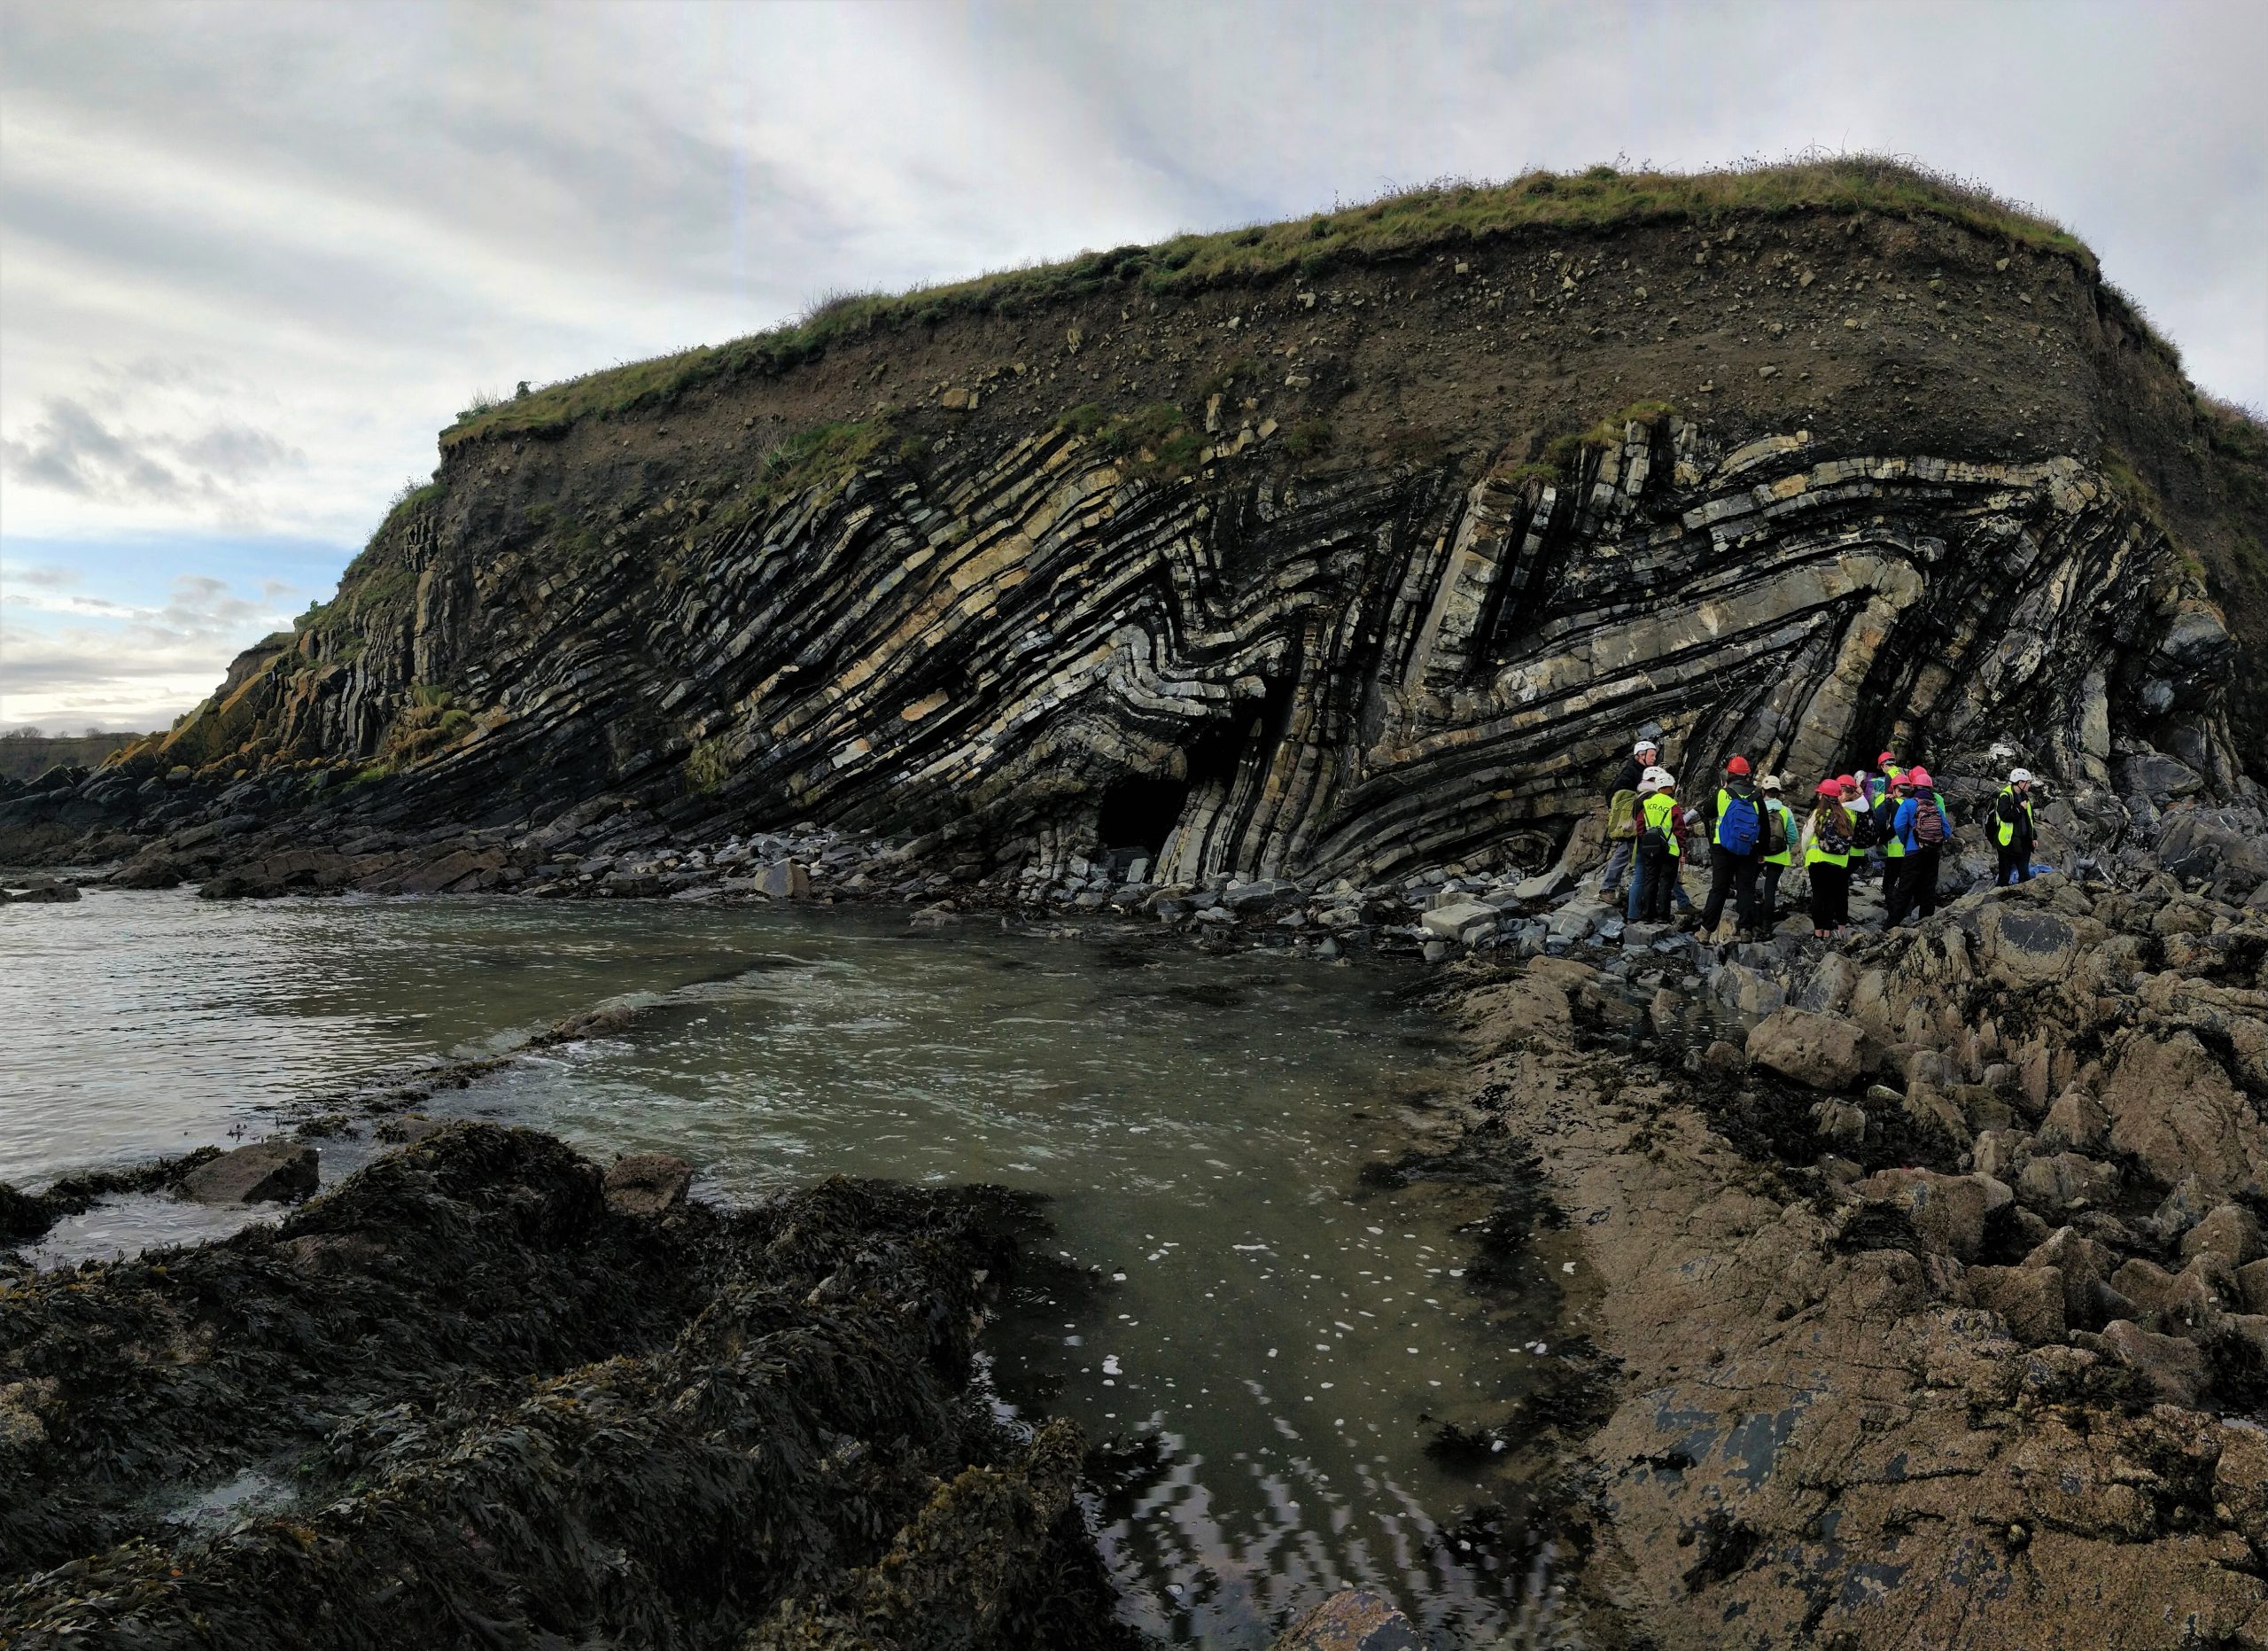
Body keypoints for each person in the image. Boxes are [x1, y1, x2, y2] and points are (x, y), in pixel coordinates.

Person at [1700, 755, 1766, 940]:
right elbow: (1764, 826)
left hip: (1723, 847)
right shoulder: (1756, 796)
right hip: (1748, 849)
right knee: (1746, 888)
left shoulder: (1723, 794)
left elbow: (1707, 811)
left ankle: (1706, 930)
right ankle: (1745, 929)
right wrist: (1762, 851)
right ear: (1747, 775)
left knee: (1719, 889)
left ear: (1729, 774)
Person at [1886, 766, 1952, 923]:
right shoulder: (1935, 805)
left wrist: (1907, 840)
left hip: (1913, 852)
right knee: (1928, 889)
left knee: (1904, 889)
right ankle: (1925, 923)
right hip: (1933, 852)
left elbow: (1898, 825)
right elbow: (1947, 830)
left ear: (1913, 787)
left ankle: (1892, 925)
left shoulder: (1908, 804)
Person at [1600, 737, 1658, 900]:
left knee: (1629, 854)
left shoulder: (1643, 771)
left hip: (1643, 821)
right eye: (1651, 755)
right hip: (1634, 823)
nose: (1654, 758)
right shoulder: (1631, 772)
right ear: (1640, 755)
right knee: (1624, 854)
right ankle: (1607, 889)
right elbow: (1616, 793)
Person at [1627, 767, 1682, 923]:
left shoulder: (1648, 803)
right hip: (1670, 850)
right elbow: (1679, 829)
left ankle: (1647, 915)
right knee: (1665, 883)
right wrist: (1682, 847)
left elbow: (1640, 825)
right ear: (1672, 786)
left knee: (1650, 880)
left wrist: (1645, 840)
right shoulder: (1672, 805)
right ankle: (1663, 915)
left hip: (1650, 849)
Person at [1804, 779, 1856, 938]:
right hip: (1838, 861)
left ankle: (1818, 931)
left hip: (1818, 860)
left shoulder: (1818, 814)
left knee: (1818, 895)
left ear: (1823, 795)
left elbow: (1806, 836)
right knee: (1831, 896)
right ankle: (1827, 931)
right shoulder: (1844, 816)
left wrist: (1806, 854)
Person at [1757, 775, 1798, 930]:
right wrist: (1785, 845)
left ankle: (1747, 920)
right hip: (1779, 855)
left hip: (1758, 854)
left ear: (1763, 791)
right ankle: (1767, 924)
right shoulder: (1786, 811)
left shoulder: (1756, 807)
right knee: (1770, 888)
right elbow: (1793, 836)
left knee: (1748, 885)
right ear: (1778, 793)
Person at [1994, 767, 2038, 884]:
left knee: (2024, 873)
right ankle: (1999, 898)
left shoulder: (2024, 797)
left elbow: (2029, 819)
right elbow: (2005, 816)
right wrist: (2020, 809)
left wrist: (2034, 837)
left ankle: (2024, 898)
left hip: (2024, 842)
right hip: (2007, 843)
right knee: (2005, 874)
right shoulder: (2005, 796)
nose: (2029, 785)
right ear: (2020, 782)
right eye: (2028, 783)